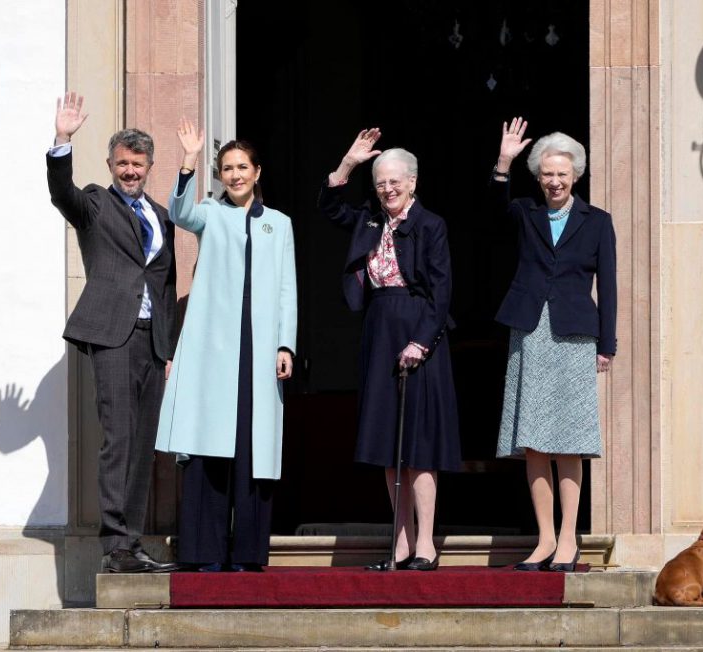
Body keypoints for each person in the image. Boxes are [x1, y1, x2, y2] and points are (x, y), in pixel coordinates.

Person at [155, 117, 297, 572]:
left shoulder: (280, 224)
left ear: (257, 172)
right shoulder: (210, 215)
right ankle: (204, 553)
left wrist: (285, 345)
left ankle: (249, 556)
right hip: (217, 353)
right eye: (227, 169)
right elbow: (179, 213)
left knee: (252, 454)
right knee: (211, 451)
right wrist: (189, 162)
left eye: (242, 167)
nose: (234, 175)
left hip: (260, 352)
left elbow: (286, 291)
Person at [47, 92, 179, 573]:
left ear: (149, 166)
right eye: (122, 163)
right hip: (112, 337)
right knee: (117, 439)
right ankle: (114, 546)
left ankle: (133, 541)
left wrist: (168, 347)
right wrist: (62, 140)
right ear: (110, 164)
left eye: (138, 164)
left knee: (143, 445)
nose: (130, 171)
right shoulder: (96, 205)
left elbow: (165, 285)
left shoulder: (161, 215)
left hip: (150, 340)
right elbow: (63, 194)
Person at [318, 128, 460, 572]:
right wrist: (348, 165)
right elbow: (328, 207)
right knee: (387, 445)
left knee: (418, 446)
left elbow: (442, 291)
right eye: (380, 181)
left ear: (413, 182)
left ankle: (426, 547)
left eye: (396, 180)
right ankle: (399, 546)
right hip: (379, 328)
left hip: (420, 332)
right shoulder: (370, 218)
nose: (388, 188)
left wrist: (420, 341)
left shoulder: (431, 225)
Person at [490, 117, 616, 572]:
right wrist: (503, 162)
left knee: (569, 439)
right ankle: (543, 538)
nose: (555, 181)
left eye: (563, 173)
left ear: (576, 175)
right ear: (538, 177)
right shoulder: (526, 212)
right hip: (530, 330)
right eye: (547, 173)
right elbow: (493, 210)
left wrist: (608, 343)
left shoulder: (597, 221)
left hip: (576, 334)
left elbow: (611, 285)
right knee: (536, 441)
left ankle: (569, 538)